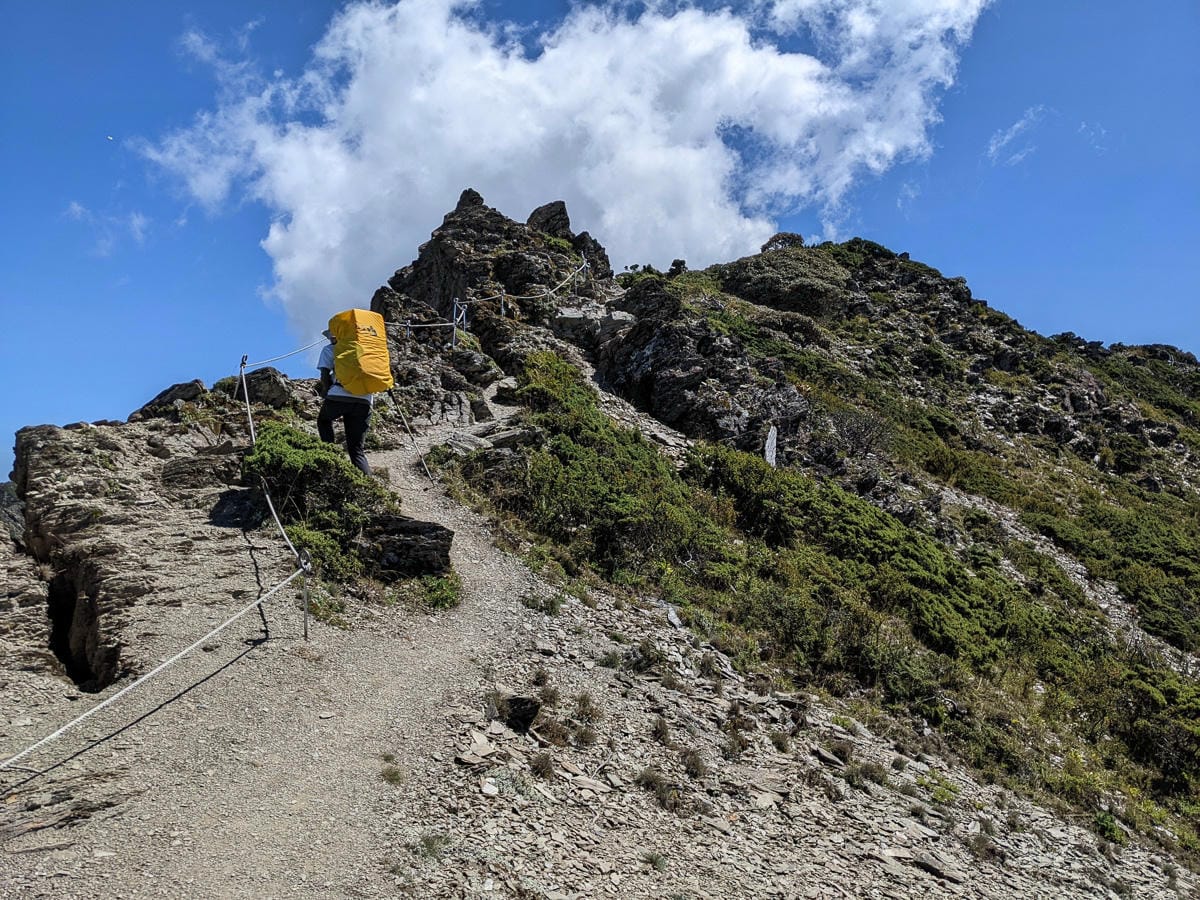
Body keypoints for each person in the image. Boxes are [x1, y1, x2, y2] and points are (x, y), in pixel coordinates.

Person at [317, 330, 374, 476]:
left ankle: (330, 457)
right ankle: (368, 485)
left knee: (323, 421)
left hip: (338, 396)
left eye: (330, 337)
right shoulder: (366, 348)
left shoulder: (330, 349)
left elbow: (324, 374)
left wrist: (325, 391)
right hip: (365, 400)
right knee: (356, 449)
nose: (330, 340)